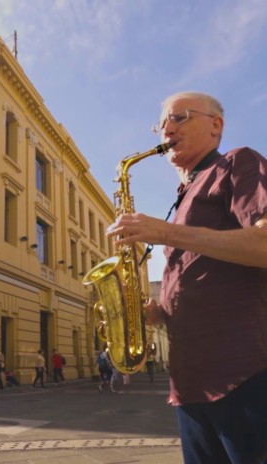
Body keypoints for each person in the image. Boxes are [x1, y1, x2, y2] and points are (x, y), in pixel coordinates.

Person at [106, 91, 267, 463]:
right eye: (161, 123)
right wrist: (158, 313)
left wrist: (165, 233)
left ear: (216, 125)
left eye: (179, 117)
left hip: (245, 374)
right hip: (190, 386)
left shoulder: (236, 163)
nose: (166, 129)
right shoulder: (182, 197)